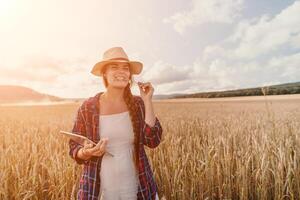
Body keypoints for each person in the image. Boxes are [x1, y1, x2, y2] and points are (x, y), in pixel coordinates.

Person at [68, 47, 163, 200]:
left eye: (125, 68)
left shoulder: (138, 104)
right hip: (98, 189)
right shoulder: (88, 107)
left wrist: (147, 101)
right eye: (114, 67)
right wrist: (86, 152)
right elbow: (74, 146)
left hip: (138, 187)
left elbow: (153, 140)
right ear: (104, 73)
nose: (122, 71)